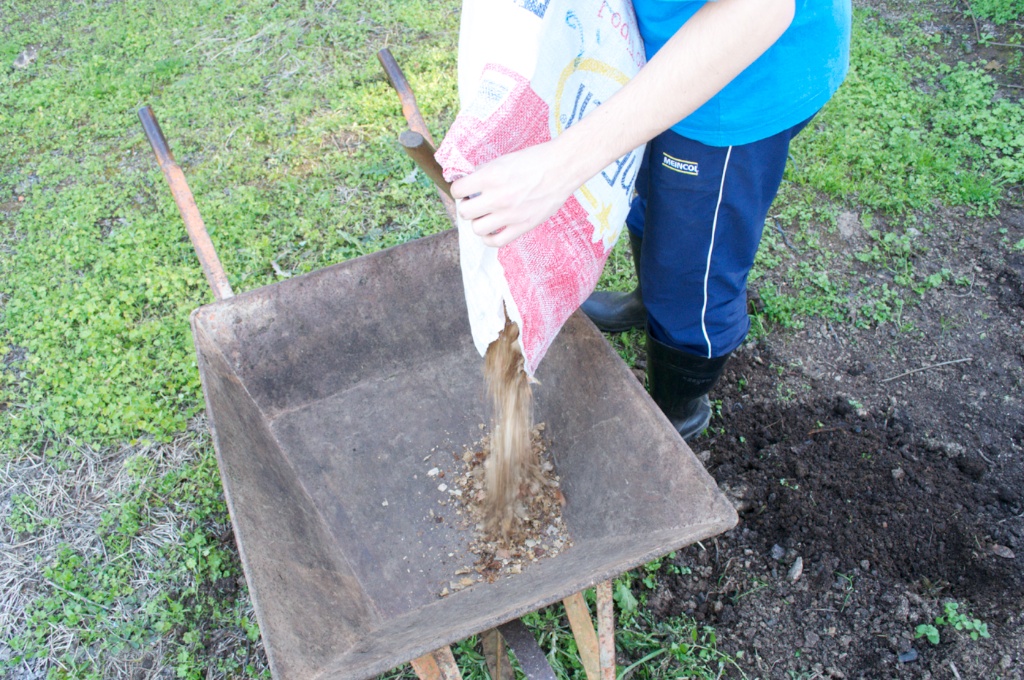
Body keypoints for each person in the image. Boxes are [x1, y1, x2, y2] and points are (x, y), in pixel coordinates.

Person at [451, 0, 852, 440]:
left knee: (690, 265)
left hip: (734, 76)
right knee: (654, 189)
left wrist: (558, 168)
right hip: (651, 43)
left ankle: (676, 412)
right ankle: (649, 301)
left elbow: (757, 11)